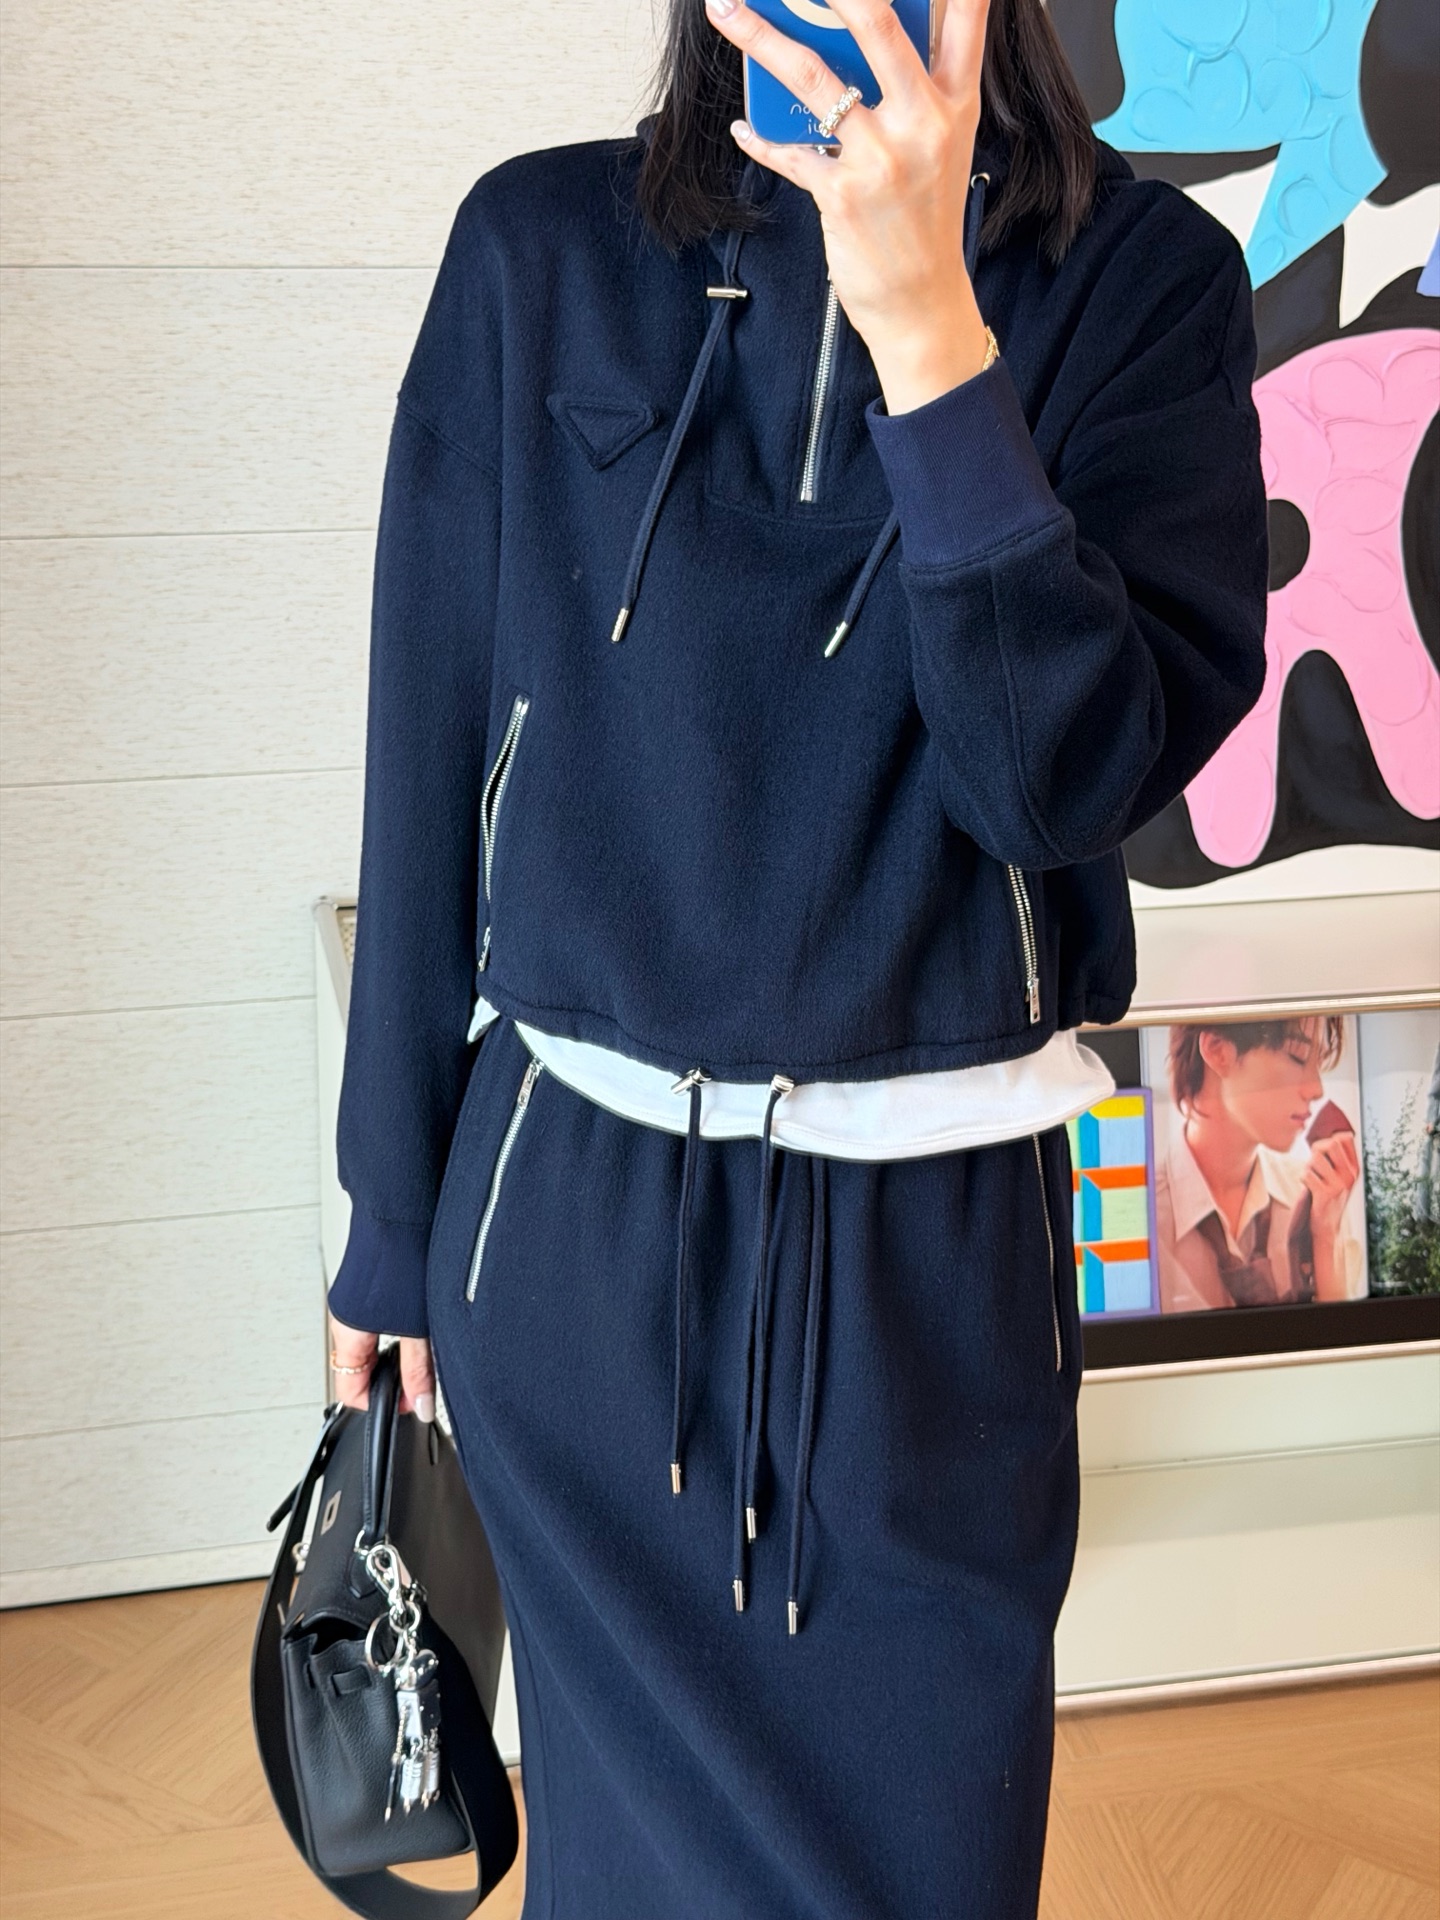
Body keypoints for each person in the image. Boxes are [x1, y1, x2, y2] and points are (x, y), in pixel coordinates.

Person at [323, 0, 1269, 1909]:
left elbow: (1056, 782)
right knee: (625, 1875)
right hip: (570, 1240)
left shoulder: (1145, 285)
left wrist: (929, 333)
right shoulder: (539, 250)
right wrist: (388, 1219)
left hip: (935, 1270)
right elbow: (424, 752)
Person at [1153, 1018, 1365, 1313]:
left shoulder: (1316, 1195)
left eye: (1318, 1063)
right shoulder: (1143, 1215)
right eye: (1298, 1056)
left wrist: (1325, 1238)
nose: (1316, 1089)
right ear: (1218, 1051)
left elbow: (1345, 1336)